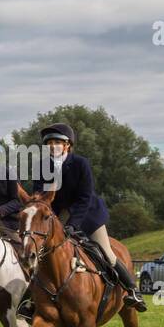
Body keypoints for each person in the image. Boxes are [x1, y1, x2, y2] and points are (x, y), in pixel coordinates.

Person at [33, 122, 144, 311]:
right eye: (49, 142)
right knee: (40, 254)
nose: (53, 146)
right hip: (58, 216)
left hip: (88, 213)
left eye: (57, 142)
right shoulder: (41, 166)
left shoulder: (80, 163)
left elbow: (84, 198)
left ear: (68, 145)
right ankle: (31, 301)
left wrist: (73, 224)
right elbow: (39, 197)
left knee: (106, 253)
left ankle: (133, 291)